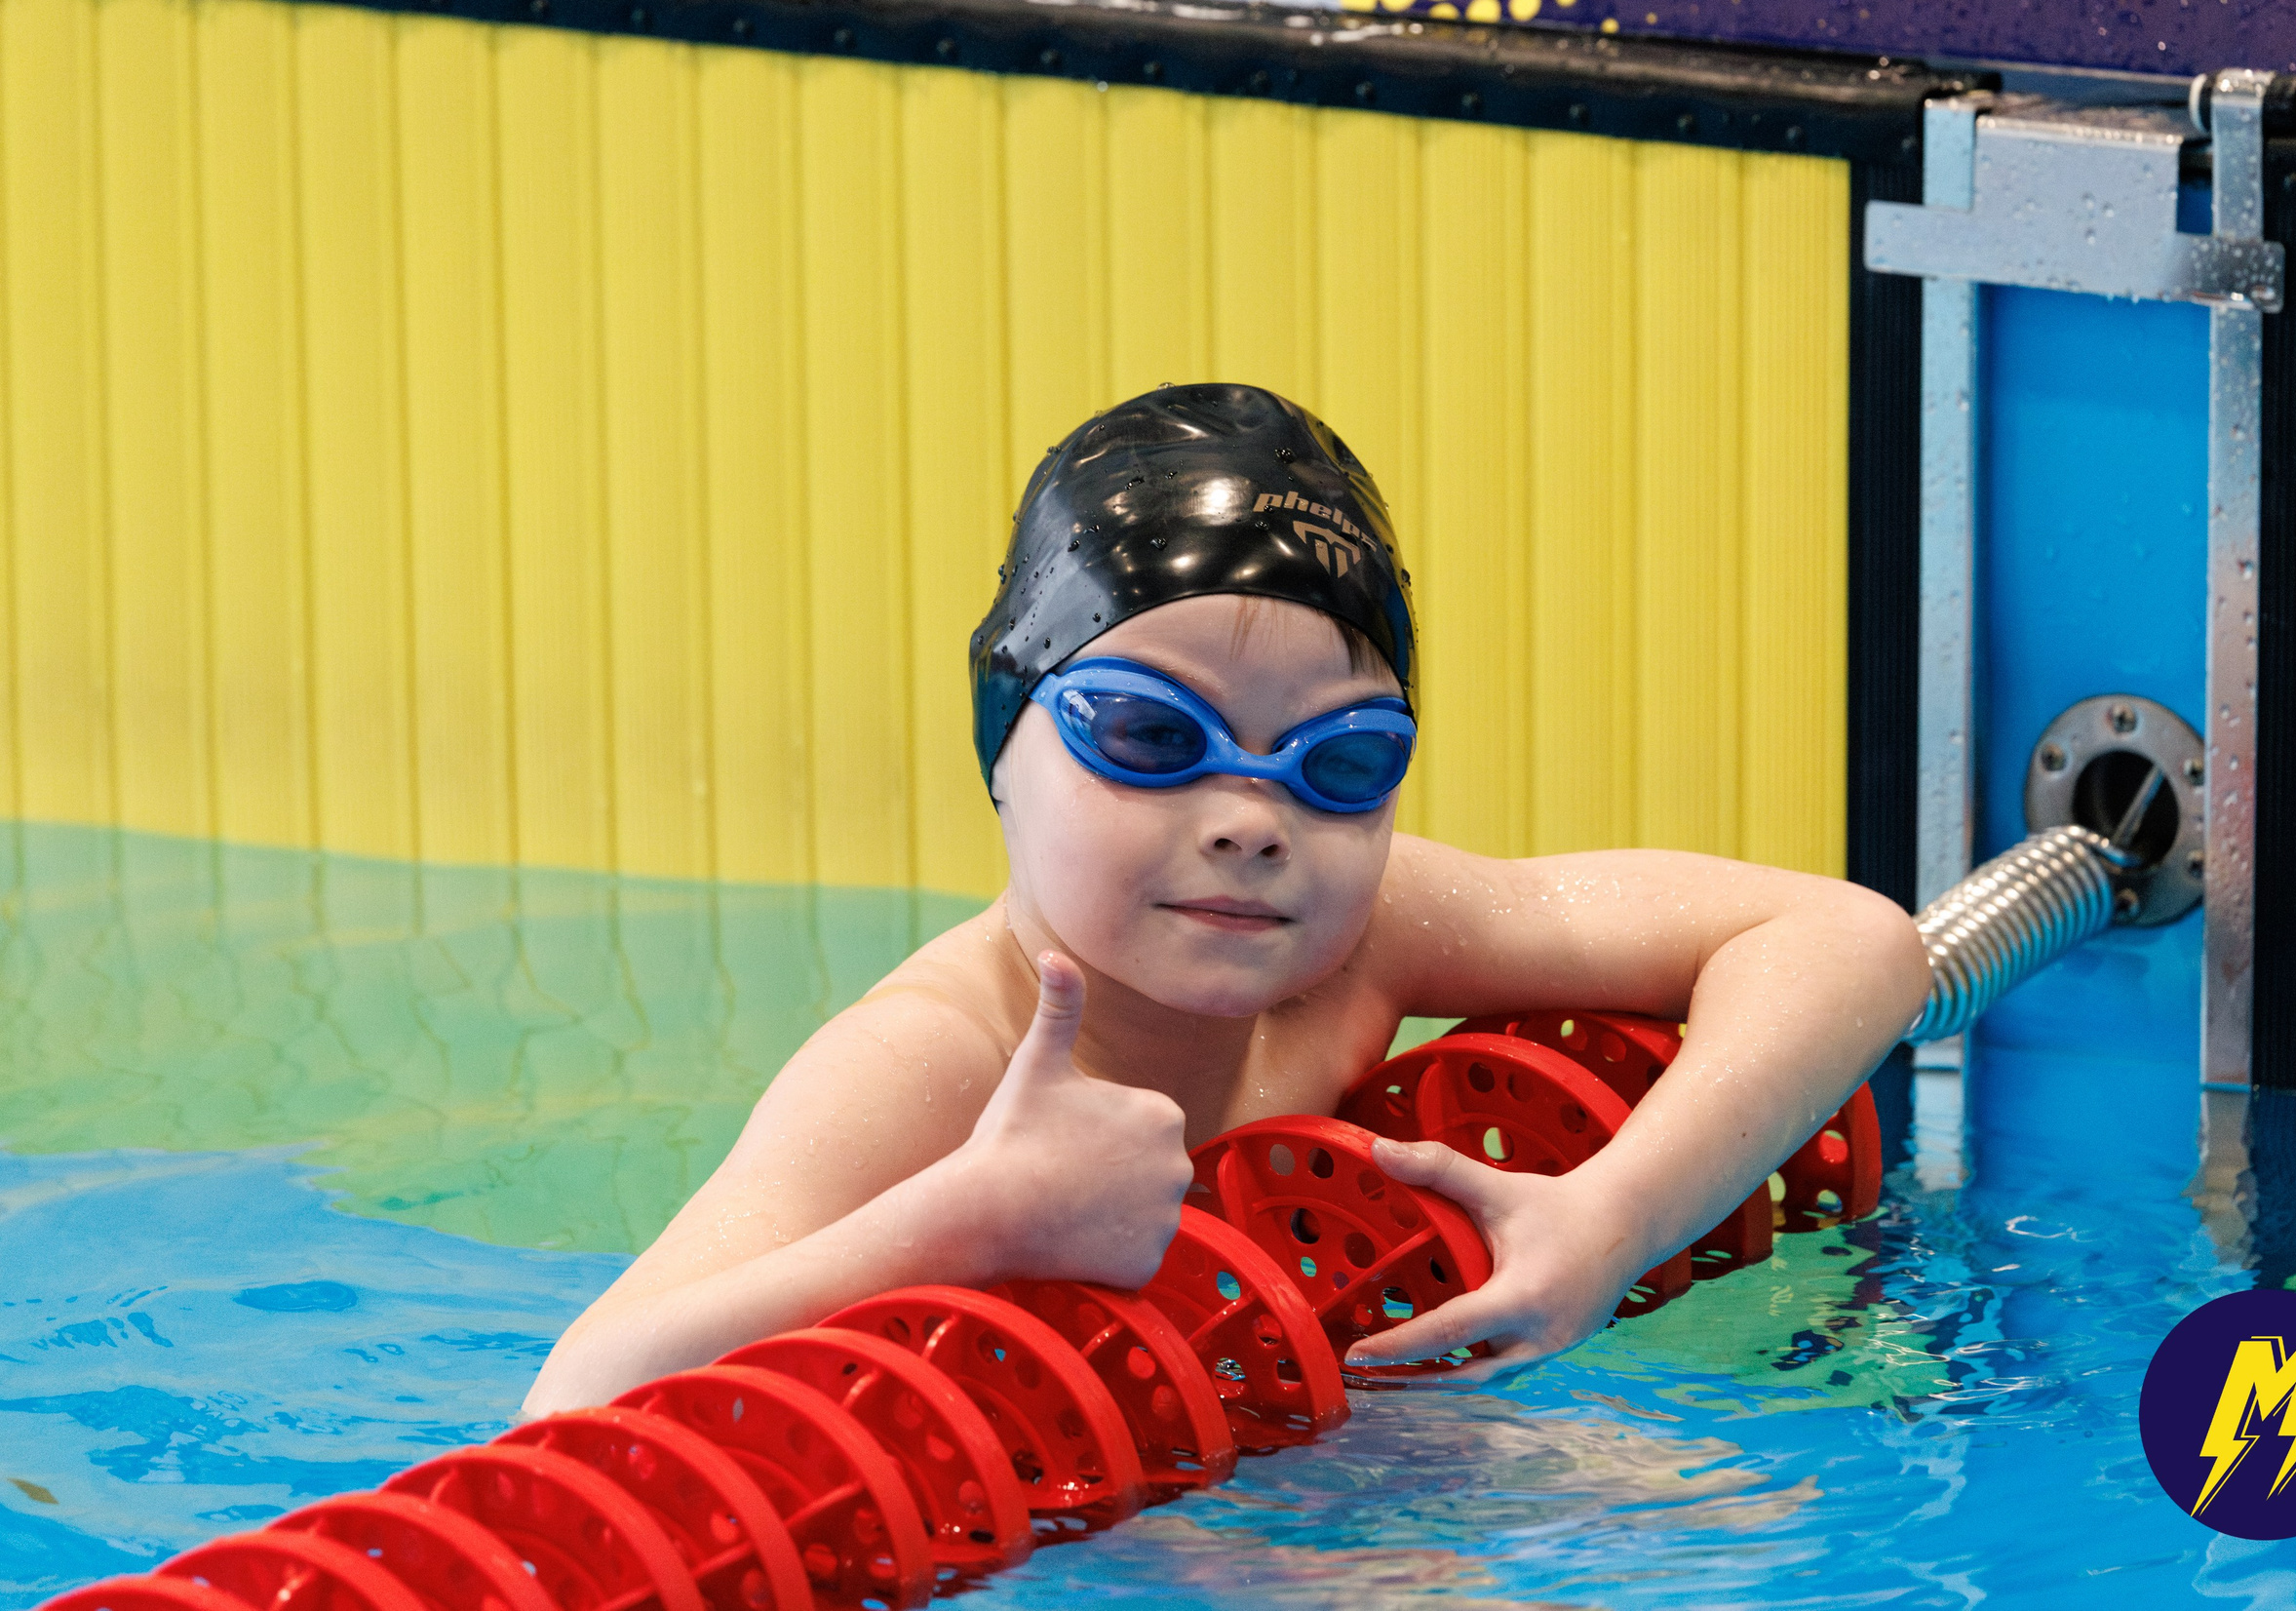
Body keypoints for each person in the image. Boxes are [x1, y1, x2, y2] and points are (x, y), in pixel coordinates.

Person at [525, 383, 1928, 1415]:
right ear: (1003, 746)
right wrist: (971, 1216)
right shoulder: (940, 1060)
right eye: (1149, 738)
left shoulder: (1365, 941)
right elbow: (578, 1395)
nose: (1254, 825)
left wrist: (1612, 1217)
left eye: (1342, 762)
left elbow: (1847, 941)